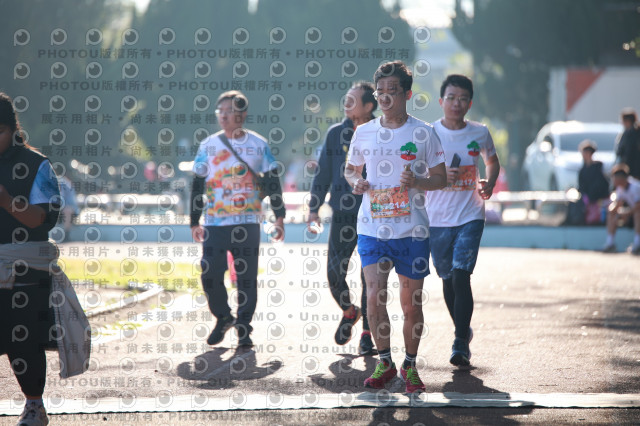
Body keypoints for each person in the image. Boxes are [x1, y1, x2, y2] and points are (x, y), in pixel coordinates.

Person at [345, 61, 446, 392]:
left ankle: (410, 366)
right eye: (380, 92)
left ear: (407, 94)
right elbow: (350, 169)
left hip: (412, 231)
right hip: (371, 228)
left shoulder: (424, 132)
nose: (385, 97)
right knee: (374, 296)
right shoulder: (364, 131)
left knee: (411, 304)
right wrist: (357, 182)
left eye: (393, 91)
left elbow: (441, 178)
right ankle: (385, 362)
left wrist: (417, 181)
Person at [190, 90, 286, 347]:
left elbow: (273, 182)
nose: (223, 116)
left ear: (241, 115)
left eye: (229, 111)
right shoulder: (208, 145)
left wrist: (279, 217)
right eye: (220, 111)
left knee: (246, 278)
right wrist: (194, 221)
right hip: (215, 222)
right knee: (209, 271)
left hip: (248, 222)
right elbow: (197, 184)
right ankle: (223, 317)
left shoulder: (258, 144)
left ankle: (244, 326)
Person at [426, 74, 501, 367]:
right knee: (447, 278)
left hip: (471, 214)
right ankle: (463, 329)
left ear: (469, 103)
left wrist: (489, 183)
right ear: (441, 101)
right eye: (451, 98)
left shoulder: (480, 132)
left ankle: (459, 341)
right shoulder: (428, 133)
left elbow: (492, 161)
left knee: (461, 275)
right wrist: (439, 175)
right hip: (437, 218)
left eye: (462, 99)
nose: (456, 103)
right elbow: (414, 171)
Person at [0, 93, 61, 425]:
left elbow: (43, 220)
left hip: (25, 267)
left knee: (23, 339)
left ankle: (34, 405)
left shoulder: (37, 165)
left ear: (12, 129)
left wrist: (8, 202)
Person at [307, 82, 377, 355]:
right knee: (334, 273)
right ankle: (349, 311)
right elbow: (323, 173)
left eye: (353, 100)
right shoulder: (336, 134)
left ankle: (368, 335)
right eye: (346, 99)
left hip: (374, 214)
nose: (346, 103)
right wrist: (314, 208)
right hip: (342, 215)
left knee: (370, 277)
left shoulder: (381, 132)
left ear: (369, 106)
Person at [602, 163, 640, 255]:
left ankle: (637, 244)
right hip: (631, 213)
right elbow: (617, 205)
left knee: (638, 214)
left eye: (614, 178)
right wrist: (612, 210)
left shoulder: (635, 187)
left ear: (620, 179)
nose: (613, 181)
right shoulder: (620, 188)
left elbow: (638, 206)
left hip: (636, 213)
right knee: (612, 214)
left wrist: (626, 213)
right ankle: (610, 243)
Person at [578, 139, 610, 225]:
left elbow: (602, 184)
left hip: (599, 198)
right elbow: (581, 186)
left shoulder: (598, 167)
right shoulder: (582, 170)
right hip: (589, 199)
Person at [616, 108, 640, 180]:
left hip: (633, 169)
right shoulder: (628, 133)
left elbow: (630, 153)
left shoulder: (633, 134)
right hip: (630, 168)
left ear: (628, 121)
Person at [58, 175, 79, 240]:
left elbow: (62, 198)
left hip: (68, 208)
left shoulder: (64, 183)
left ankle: (66, 235)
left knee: (67, 210)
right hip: (58, 208)